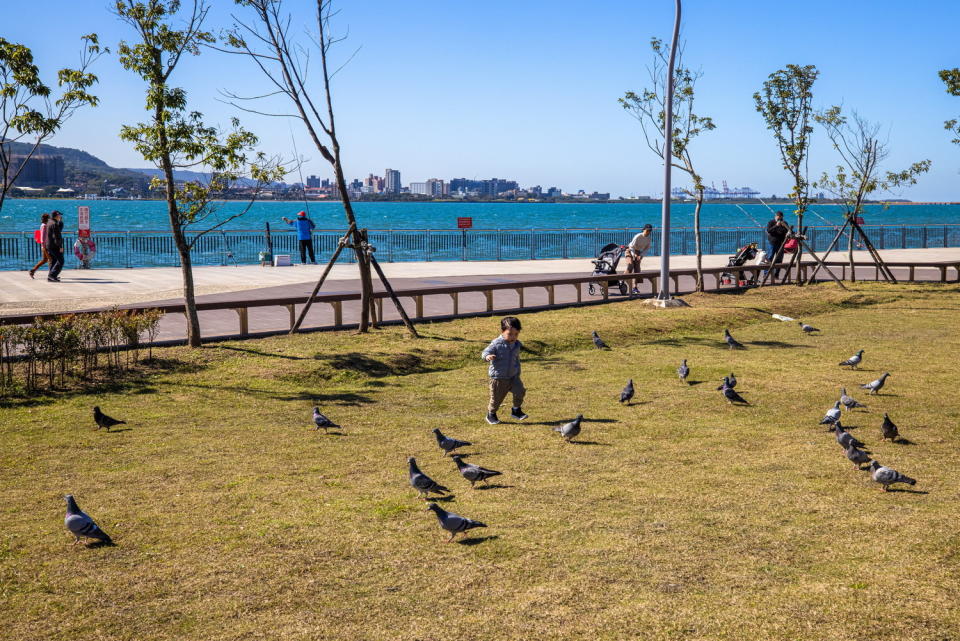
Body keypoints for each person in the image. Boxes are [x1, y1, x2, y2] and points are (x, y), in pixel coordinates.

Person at [482, 316, 527, 425]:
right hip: (499, 378)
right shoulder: (496, 343)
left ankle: (516, 410)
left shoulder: (517, 344)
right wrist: (487, 356)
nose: (513, 337)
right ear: (503, 332)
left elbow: (516, 359)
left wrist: (517, 370)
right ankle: (491, 414)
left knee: (520, 391)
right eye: (510, 334)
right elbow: (485, 352)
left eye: (516, 334)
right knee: (496, 399)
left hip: (513, 376)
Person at [625, 224, 653, 294]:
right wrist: (633, 254)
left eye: (650, 231)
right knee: (630, 265)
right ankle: (624, 278)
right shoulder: (638, 236)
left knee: (637, 269)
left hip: (638, 252)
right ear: (644, 230)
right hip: (630, 250)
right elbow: (631, 246)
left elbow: (646, 248)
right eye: (647, 230)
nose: (648, 232)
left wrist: (641, 255)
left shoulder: (649, 238)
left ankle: (635, 287)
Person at [765, 211, 789, 278]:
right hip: (772, 243)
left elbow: (788, 231)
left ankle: (776, 274)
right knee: (770, 257)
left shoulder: (784, 223)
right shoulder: (771, 222)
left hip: (781, 243)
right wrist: (776, 225)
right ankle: (766, 273)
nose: (780, 220)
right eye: (778, 218)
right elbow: (769, 230)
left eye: (781, 218)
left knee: (779, 259)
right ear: (775, 217)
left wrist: (785, 228)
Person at [28, 213, 51, 279]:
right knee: (50, 260)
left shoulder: (43, 225)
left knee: (45, 260)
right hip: (45, 245)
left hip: (44, 245)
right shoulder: (44, 226)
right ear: (47, 219)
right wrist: (44, 245)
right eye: (48, 218)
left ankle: (32, 270)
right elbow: (43, 236)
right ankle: (52, 274)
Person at [46, 210, 65, 283]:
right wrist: (60, 246)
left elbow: (57, 231)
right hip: (54, 246)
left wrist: (60, 222)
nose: (60, 216)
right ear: (57, 216)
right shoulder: (54, 224)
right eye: (59, 215)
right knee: (61, 261)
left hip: (49, 245)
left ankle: (51, 276)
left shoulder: (49, 222)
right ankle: (52, 275)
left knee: (54, 260)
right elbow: (56, 236)